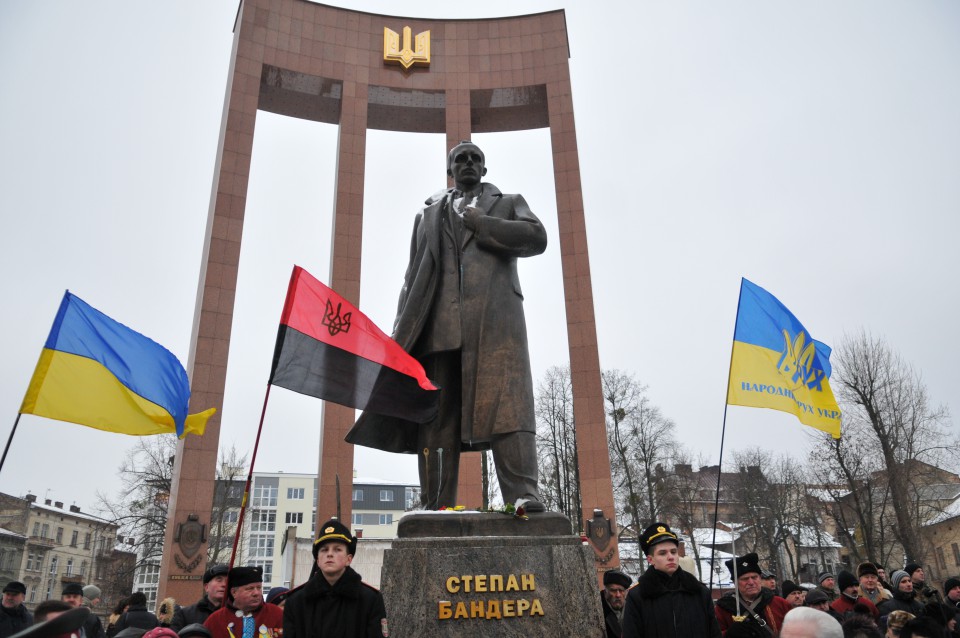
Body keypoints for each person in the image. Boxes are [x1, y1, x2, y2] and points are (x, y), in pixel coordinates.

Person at [347, 140, 548, 511]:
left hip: (496, 324)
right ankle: (435, 502)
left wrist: (483, 224)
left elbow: (537, 238)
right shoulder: (428, 215)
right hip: (438, 325)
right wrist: (399, 333)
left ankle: (523, 495)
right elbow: (412, 276)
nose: (468, 163)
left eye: (476, 159)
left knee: (509, 407)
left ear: (484, 170)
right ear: (450, 170)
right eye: (461, 159)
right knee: (436, 417)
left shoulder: (508, 202)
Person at [283, 519, 387, 638]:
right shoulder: (296, 602)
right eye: (324, 549)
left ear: (349, 559)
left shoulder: (370, 599)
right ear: (318, 560)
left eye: (337, 549)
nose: (330, 554)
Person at [621, 522, 720, 637]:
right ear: (650, 559)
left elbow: (714, 633)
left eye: (673, 552)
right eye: (662, 553)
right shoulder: (638, 596)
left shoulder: (699, 591)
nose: (670, 557)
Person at [715, 553, 792, 636]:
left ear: (760, 578)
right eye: (745, 579)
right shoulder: (722, 609)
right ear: (735, 583)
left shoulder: (780, 604)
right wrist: (729, 634)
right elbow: (713, 634)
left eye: (754, 577)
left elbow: (795, 632)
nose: (751, 582)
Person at [203, 566, 282, 638]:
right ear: (234, 592)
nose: (256, 593)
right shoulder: (216, 620)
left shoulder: (276, 614)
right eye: (249, 589)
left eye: (259, 588)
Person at [170, 565, 228, 632]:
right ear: (206, 587)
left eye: (227, 581)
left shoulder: (237, 614)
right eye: (219, 580)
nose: (224, 584)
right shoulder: (185, 615)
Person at [599, 570, 631, 638]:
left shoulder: (633, 609)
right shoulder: (598, 610)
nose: (618, 595)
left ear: (627, 592)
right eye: (613, 590)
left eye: (621, 590)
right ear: (605, 592)